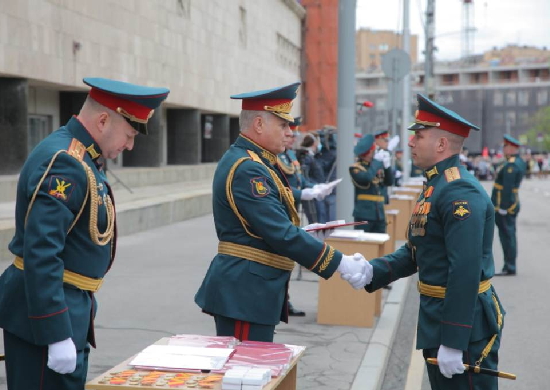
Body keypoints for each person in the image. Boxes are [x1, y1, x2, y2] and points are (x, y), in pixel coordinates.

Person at [0, 78, 169, 389]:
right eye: (129, 134)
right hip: (46, 317)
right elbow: (42, 251)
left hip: (70, 308)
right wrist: (54, 332)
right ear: (103, 120)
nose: (130, 146)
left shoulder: (84, 158)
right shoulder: (66, 162)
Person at [194, 82, 370, 342]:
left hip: (252, 289)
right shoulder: (248, 168)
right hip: (245, 292)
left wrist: (307, 235)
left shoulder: (258, 162)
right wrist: (339, 262)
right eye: (283, 125)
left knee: (252, 372)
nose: (290, 132)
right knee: (245, 374)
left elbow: (269, 224)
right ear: (259, 124)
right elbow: (277, 231)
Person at [357, 94, 505, 390]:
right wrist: (374, 271)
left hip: (464, 327)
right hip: (438, 316)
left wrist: (453, 339)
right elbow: (419, 250)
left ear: (440, 144)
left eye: (418, 135)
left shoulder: (458, 190)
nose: (410, 142)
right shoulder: (436, 184)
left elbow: (464, 270)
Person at [277, 117, 327, 317]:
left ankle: (284, 301)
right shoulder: (277, 157)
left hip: (291, 212)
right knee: (281, 259)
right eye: (289, 133)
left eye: (294, 134)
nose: (292, 137)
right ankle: (280, 302)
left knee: (287, 259)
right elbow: (283, 187)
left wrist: (313, 187)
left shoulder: (289, 155)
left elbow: (299, 179)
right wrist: (302, 193)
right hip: (281, 211)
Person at [491, 134, 526, 276]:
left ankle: (510, 265)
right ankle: (508, 264)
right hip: (504, 204)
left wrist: (504, 207)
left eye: (505, 146)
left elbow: (507, 188)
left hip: (505, 205)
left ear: (512, 148)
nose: (504, 149)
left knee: (508, 235)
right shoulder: (512, 161)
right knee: (507, 235)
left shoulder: (512, 165)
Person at [349, 134, 392, 233]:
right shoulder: (355, 168)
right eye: (372, 151)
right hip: (364, 214)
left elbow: (389, 182)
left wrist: (387, 166)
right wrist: (377, 162)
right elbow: (367, 177)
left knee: (380, 245)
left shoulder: (376, 166)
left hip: (379, 213)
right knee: (363, 246)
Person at [373, 130, 396, 204]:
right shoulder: (372, 155)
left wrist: (387, 166)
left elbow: (389, 181)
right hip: (374, 197)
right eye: (385, 140)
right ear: (377, 140)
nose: (387, 143)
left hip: (383, 195)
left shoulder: (385, 154)